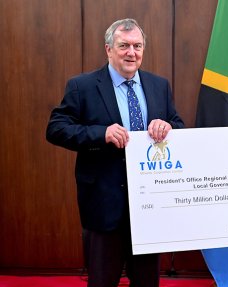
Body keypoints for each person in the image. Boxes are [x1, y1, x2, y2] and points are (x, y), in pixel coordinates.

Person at [46, 18, 184, 287]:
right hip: (103, 202)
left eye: (137, 46)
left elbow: (178, 125)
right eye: (124, 46)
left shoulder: (159, 85)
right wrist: (101, 133)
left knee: (147, 282)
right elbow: (56, 128)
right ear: (108, 49)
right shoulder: (82, 86)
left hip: (149, 205)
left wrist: (168, 126)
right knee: (102, 281)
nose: (131, 52)